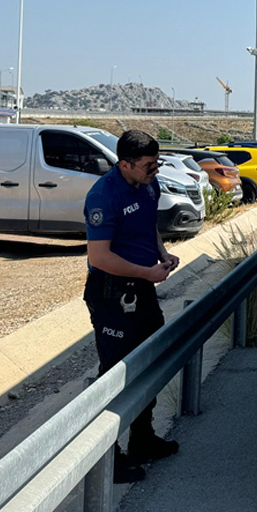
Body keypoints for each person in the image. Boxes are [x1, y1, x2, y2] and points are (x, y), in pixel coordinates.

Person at [84, 130, 182, 483]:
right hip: (112, 294)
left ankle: (142, 439)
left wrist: (162, 253)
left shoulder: (149, 185)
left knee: (149, 364)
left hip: (142, 288)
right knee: (114, 375)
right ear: (124, 164)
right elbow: (100, 256)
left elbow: (147, 227)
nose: (155, 171)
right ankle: (106, 457)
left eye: (158, 163)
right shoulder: (103, 196)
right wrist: (147, 273)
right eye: (147, 166)